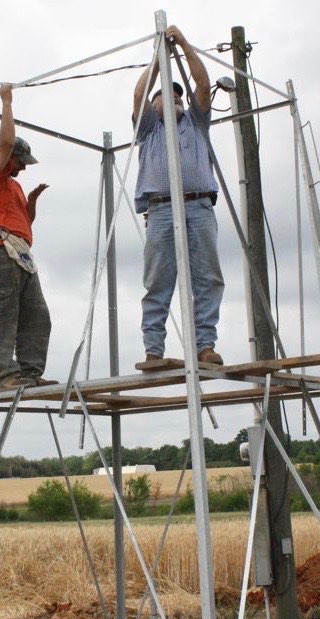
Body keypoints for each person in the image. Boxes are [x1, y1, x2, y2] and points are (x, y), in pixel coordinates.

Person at [133, 25, 224, 365]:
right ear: (154, 105)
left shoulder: (195, 121)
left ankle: (205, 346)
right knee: (158, 280)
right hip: (161, 210)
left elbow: (203, 84)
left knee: (207, 277)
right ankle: (153, 350)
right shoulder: (148, 128)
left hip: (198, 205)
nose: (174, 97)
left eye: (177, 95)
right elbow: (139, 95)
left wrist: (183, 44)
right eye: (166, 95)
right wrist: (158, 63)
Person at [0, 83, 55, 391]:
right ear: (11, 157)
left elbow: (24, 222)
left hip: (20, 252)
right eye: (21, 161)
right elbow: (6, 142)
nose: (23, 167)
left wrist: (31, 201)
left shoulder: (14, 186)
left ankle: (29, 372)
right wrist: (6, 102)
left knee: (37, 315)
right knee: (4, 313)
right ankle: (5, 374)